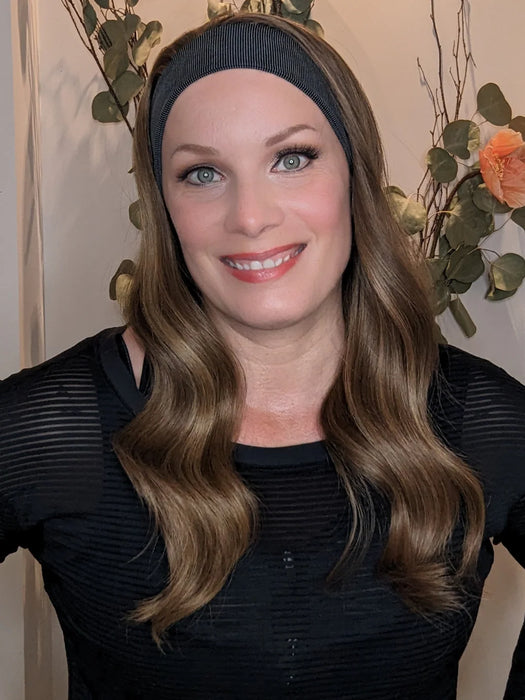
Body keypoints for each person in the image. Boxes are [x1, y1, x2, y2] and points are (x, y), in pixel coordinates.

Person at [1, 11, 524, 699]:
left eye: (292, 159)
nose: (250, 216)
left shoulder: (478, 420)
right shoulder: (50, 428)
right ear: (164, 205)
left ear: (354, 173)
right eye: (202, 173)